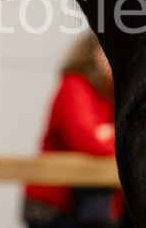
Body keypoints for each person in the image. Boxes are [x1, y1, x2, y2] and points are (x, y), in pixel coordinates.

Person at [23, 34, 125, 228]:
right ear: (92, 53)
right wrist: (115, 141)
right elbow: (85, 140)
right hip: (54, 204)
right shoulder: (74, 86)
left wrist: (107, 136)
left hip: (89, 206)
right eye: (107, 49)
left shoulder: (109, 93)